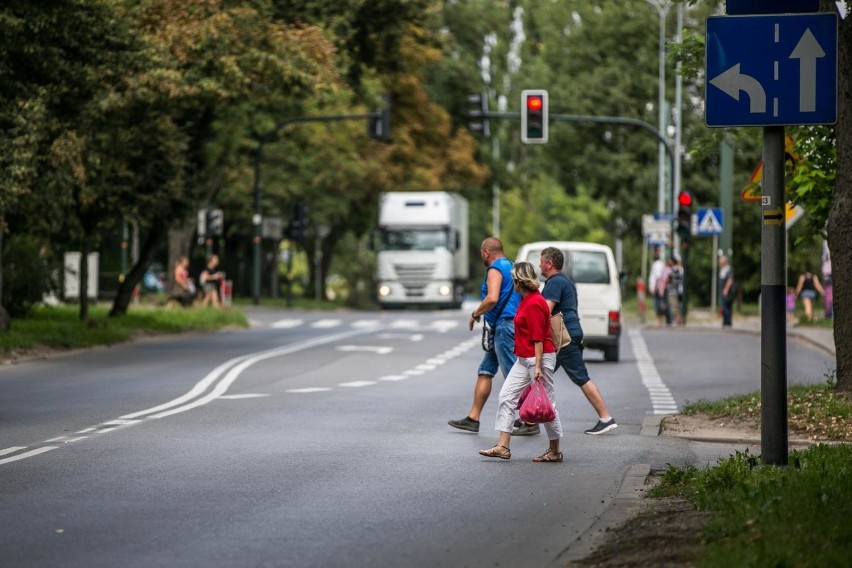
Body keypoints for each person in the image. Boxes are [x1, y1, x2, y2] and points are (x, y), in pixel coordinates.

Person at [478, 262, 562, 462]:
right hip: (524, 359)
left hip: (538, 358)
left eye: (514, 279)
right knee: (506, 396)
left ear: (519, 281)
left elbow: (538, 338)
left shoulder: (534, 303)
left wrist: (539, 366)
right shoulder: (526, 299)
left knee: (547, 405)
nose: (512, 283)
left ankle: (554, 450)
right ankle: (502, 446)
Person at [540, 247, 617, 435]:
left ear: (549, 264)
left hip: (563, 338)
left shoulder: (554, 282)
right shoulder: (566, 280)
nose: (539, 265)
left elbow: (544, 311)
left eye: (541, 261)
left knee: (580, 377)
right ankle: (528, 419)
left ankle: (605, 418)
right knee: (539, 374)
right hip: (570, 334)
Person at [448, 237, 520, 434]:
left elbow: (492, 298)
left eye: (482, 253)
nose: (482, 256)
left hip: (504, 327)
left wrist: (475, 313)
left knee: (514, 375)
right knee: (486, 370)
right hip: (501, 327)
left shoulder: (495, 269)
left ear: (486, 252)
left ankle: (528, 419)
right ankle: (473, 418)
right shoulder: (512, 267)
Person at [648, 249, 669, 326]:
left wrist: (654, 289)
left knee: (658, 305)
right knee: (661, 304)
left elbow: (657, 277)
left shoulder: (656, 265)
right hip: (661, 288)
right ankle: (661, 320)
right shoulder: (661, 264)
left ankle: (659, 321)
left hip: (658, 289)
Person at [667, 256, 684, 326]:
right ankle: (679, 320)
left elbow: (669, 279)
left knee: (674, 306)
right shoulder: (681, 269)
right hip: (680, 290)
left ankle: (676, 320)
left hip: (674, 290)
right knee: (679, 305)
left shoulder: (673, 269)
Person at [719, 256, 735, 327]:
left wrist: (726, 289)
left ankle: (728, 322)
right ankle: (725, 322)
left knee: (727, 307)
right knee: (724, 306)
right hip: (722, 291)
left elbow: (730, 280)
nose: (719, 262)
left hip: (727, 292)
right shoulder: (723, 269)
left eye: (721, 261)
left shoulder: (729, 269)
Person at [822, 241, 833, 319]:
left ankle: (829, 314)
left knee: (829, 296)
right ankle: (829, 314)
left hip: (828, 273)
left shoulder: (826, 251)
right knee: (829, 296)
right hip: (828, 274)